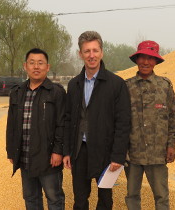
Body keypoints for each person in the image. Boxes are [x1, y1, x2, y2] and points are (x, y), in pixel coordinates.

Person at [62, 31, 131, 210]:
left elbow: (123, 123)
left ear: (101, 52)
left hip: (106, 154)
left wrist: (118, 155)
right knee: (80, 200)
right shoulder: (74, 85)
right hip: (79, 152)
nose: (91, 55)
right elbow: (68, 120)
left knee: (105, 200)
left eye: (95, 50)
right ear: (80, 54)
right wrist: (67, 151)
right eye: (87, 51)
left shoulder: (116, 84)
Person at [6, 48, 66, 210]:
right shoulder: (17, 92)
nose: (36, 67)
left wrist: (58, 151)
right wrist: (11, 151)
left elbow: (62, 123)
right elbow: (11, 125)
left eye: (40, 63)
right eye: (32, 63)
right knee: (31, 198)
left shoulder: (56, 92)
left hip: (48, 158)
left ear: (47, 67)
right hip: (25, 157)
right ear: (25, 66)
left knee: (54, 198)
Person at [124, 40, 175, 210]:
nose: (145, 62)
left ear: (156, 61)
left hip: (158, 152)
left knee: (162, 197)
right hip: (132, 153)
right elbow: (118, 120)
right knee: (132, 195)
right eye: (142, 57)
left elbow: (173, 116)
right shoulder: (126, 87)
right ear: (137, 60)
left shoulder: (165, 86)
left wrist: (171, 144)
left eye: (150, 58)